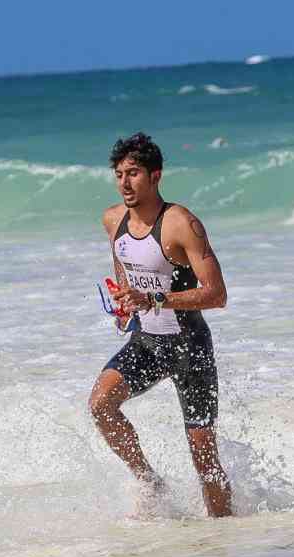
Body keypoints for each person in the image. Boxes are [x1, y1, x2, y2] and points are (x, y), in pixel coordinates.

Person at [89, 132, 232, 517]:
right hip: (147, 344)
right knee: (101, 405)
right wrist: (125, 305)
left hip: (190, 349)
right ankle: (149, 480)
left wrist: (153, 299)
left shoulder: (181, 223)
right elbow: (123, 271)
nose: (124, 182)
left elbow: (217, 294)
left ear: (155, 176)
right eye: (119, 174)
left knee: (204, 458)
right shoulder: (112, 220)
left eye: (133, 173)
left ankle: (227, 535)